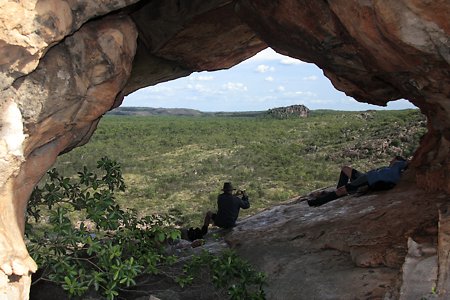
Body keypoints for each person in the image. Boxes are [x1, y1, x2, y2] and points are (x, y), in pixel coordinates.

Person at [308, 156, 409, 207]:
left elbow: (408, 162)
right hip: (366, 177)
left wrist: (401, 162)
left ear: (397, 161)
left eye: (392, 160)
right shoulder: (389, 168)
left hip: (369, 179)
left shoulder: (397, 166)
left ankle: (317, 202)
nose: (390, 161)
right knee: (345, 169)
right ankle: (339, 191)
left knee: (341, 190)